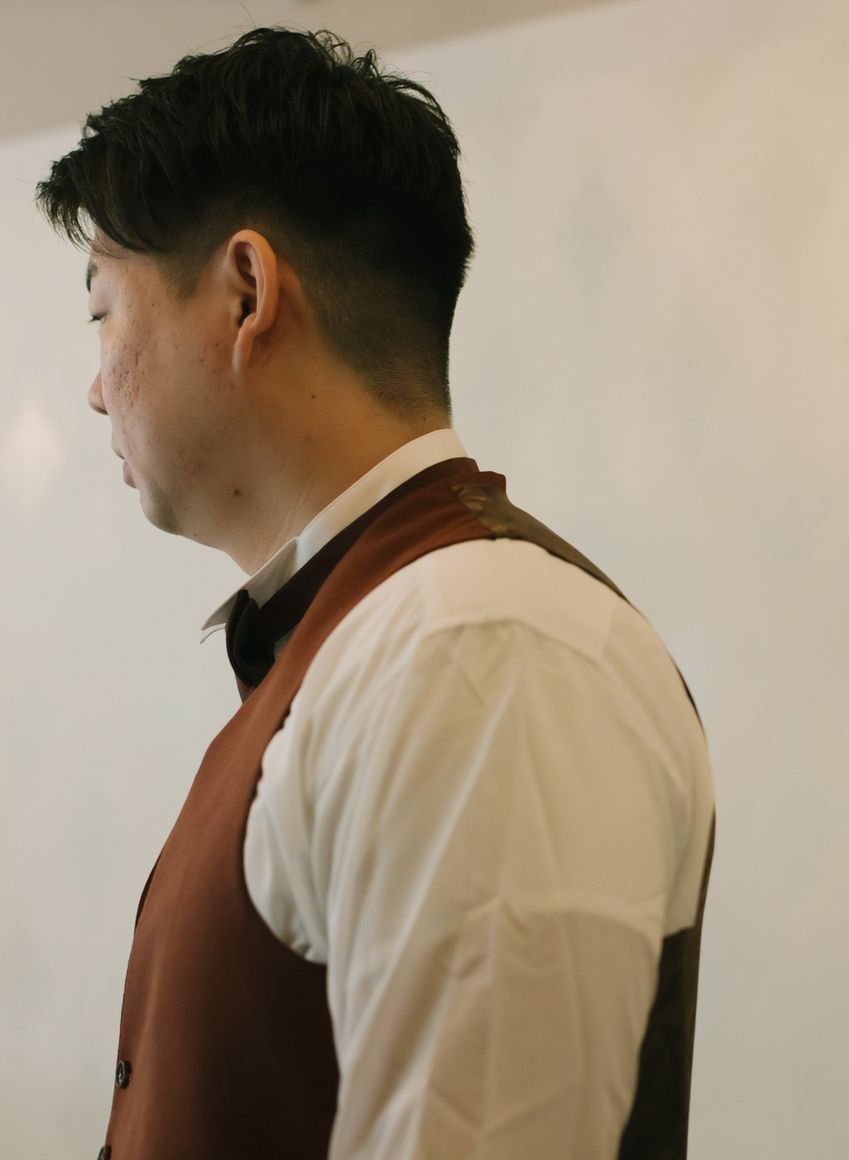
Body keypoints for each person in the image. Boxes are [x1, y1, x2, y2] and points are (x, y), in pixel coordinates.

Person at [38, 27, 714, 1160]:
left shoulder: (480, 646)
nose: (96, 390)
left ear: (246, 292)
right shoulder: (380, 632)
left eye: (104, 311)